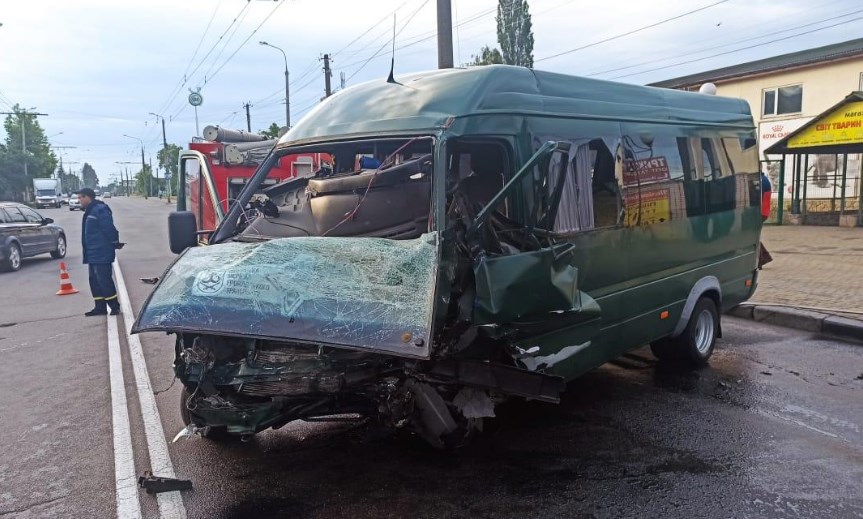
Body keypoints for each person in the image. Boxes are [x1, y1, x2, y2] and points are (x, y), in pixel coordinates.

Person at [76, 188, 122, 316]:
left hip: (102, 252)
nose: (79, 200)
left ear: (87, 197)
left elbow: (109, 228)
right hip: (92, 253)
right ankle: (100, 307)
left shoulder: (100, 210)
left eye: (80, 198)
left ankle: (114, 306)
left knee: (104, 280)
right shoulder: (90, 210)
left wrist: (115, 242)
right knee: (94, 281)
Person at [758, 173, 773, 268]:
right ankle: (762, 259)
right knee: (754, 236)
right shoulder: (763, 179)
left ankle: (762, 259)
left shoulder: (760, 180)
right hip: (763, 212)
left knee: (753, 236)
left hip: (760, 212)